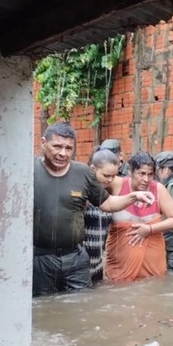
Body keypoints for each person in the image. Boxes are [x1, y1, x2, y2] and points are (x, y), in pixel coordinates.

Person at [33, 123, 155, 297]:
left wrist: (135, 196)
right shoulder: (28, 171)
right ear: (43, 143)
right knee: (43, 307)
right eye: (57, 146)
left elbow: (108, 203)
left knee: (83, 305)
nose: (63, 153)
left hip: (75, 257)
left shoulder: (82, 173)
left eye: (69, 148)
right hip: (39, 258)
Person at [105, 152, 173, 282]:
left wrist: (150, 229)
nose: (146, 179)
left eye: (150, 174)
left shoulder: (158, 189)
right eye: (141, 174)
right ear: (131, 171)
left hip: (152, 268)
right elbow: (94, 181)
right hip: (119, 266)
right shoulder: (116, 184)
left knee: (151, 297)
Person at [83, 147, 119, 282]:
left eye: (113, 176)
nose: (110, 180)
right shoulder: (82, 192)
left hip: (98, 265)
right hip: (79, 265)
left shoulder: (109, 194)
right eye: (106, 175)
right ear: (93, 169)